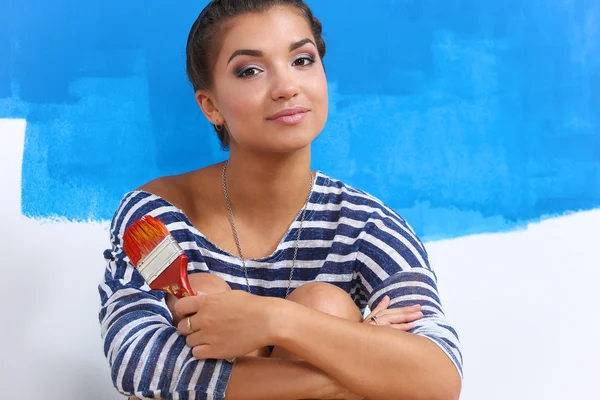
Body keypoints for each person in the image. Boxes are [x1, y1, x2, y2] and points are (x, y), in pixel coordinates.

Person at [99, 1, 463, 399]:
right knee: (203, 293)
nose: (287, 87)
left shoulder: (367, 226)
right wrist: (347, 375)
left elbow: (438, 376)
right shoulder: (157, 215)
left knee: (323, 303)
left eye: (302, 60)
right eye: (250, 70)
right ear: (211, 106)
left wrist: (279, 320)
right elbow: (136, 359)